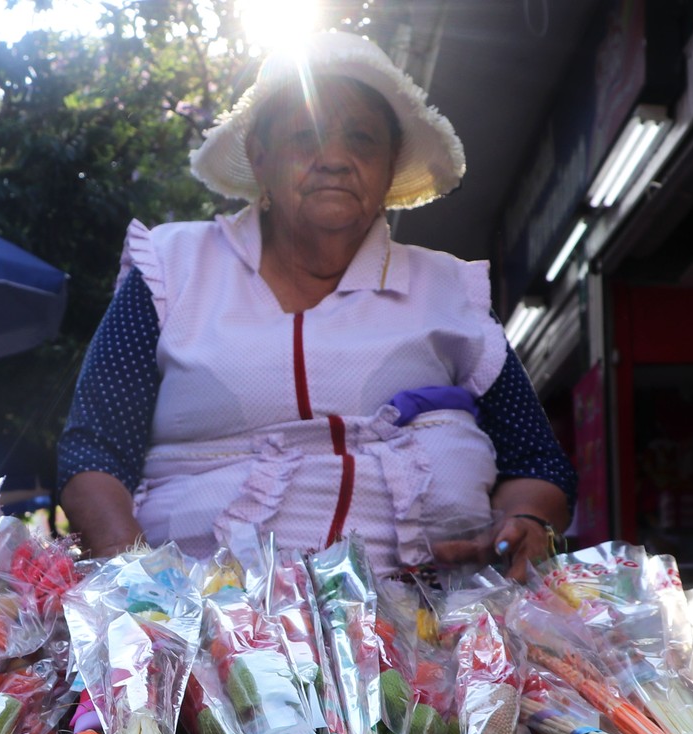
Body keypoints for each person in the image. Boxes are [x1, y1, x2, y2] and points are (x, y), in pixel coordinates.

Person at [56, 31, 575, 576]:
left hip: (427, 622)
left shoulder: (449, 289)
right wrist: (148, 595)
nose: (334, 159)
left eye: (362, 139)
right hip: (205, 621)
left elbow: (536, 462)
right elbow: (94, 454)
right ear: (260, 158)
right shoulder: (172, 268)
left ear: (389, 166)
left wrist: (528, 524)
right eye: (306, 136)